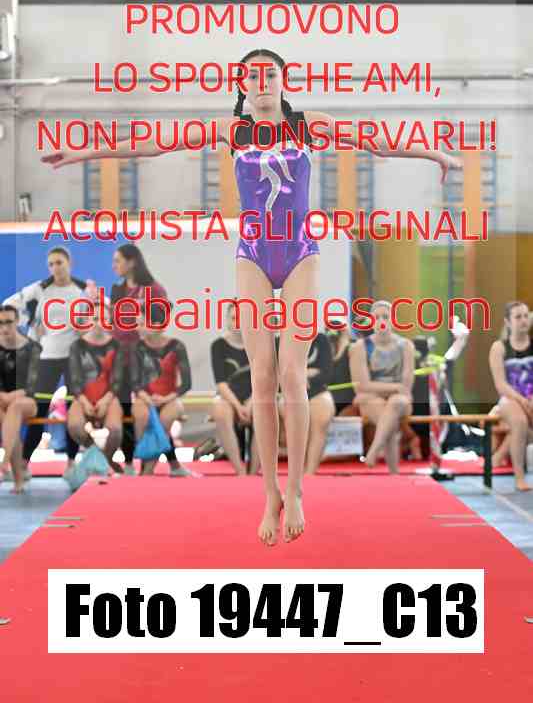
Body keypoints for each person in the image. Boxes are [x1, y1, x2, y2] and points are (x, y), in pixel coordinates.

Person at [42, 47, 460, 544]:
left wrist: (436, 154)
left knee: (291, 374)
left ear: (284, 80)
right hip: (254, 255)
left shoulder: (308, 125)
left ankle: (296, 488)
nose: (262, 81)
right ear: (242, 84)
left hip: (299, 252)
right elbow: (153, 145)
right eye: (253, 75)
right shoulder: (232, 130)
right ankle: (269, 493)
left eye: (270, 73)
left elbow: (377, 143)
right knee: (262, 375)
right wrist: (82, 154)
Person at [2, 247, 90, 477]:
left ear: (69, 263)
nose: (55, 268)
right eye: (51, 264)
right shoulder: (39, 289)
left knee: (72, 411)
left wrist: (85, 327)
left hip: (72, 359)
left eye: (59, 262)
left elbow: (100, 313)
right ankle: (23, 464)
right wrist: (30, 323)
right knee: (38, 412)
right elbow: (9, 305)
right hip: (46, 358)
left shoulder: (82, 290)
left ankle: (71, 464)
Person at [109, 244, 175, 474]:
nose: (114, 266)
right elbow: (112, 323)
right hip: (120, 358)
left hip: (146, 358)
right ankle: (129, 462)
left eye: (117, 261)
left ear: (132, 262)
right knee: (125, 409)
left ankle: (169, 461)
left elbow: (162, 320)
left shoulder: (154, 289)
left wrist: (147, 326)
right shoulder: (117, 290)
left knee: (151, 411)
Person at [351, 301, 415, 473]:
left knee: (396, 403)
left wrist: (393, 389)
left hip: (399, 400)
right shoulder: (360, 347)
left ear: (393, 320)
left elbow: (406, 386)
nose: (381, 321)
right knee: (389, 421)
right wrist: (395, 387)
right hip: (371, 399)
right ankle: (394, 474)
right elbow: (362, 386)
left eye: (385, 317)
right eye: (377, 317)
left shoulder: (406, 346)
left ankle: (374, 450)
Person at [130, 303, 193, 476]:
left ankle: (147, 471)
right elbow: (134, 382)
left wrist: (166, 399)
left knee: (164, 420)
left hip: (170, 398)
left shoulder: (176, 346)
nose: (136, 327)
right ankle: (172, 466)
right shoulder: (137, 347)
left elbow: (186, 383)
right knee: (142, 417)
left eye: (141, 323)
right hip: (145, 397)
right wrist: (147, 398)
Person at [67, 300, 124, 472]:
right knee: (75, 427)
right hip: (83, 396)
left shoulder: (116, 346)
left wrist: (106, 401)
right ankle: (102, 458)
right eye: (95, 318)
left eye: (104, 319)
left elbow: (118, 379)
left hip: (108, 396)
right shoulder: (77, 346)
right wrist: (84, 402)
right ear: (88, 320)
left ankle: (104, 460)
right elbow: (74, 379)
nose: (99, 323)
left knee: (115, 430)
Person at [488, 301, 533, 492]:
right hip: (509, 398)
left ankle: (498, 457)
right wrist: (522, 400)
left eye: (525, 316)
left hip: (530, 398)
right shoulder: (499, 348)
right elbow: (501, 385)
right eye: (518, 317)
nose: (523, 320)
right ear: (508, 322)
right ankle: (519, 478)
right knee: (520, 422)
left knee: (526, 432)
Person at [278, 329, 335, 474]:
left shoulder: (321, 339)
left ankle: (310, 472)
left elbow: (327, 373)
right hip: (289, 391)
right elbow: (278, 374)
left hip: (317, 390)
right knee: (295, 419)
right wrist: (304, 374)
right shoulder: (280, 340)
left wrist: (302, 376)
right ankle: (297, 471)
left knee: (322, 415)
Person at [0, 305, 41, 493]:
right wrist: (4, 396)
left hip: (26, 401)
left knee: (15, 408)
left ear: (17, 321)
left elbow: (33, 385)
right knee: (9, 420)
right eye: (0, 323)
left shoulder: (32, 348)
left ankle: (4, 461)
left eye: (8, 322)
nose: (4, 327)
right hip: (3, 400)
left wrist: (12, 396)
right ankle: (18, 481)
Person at [210, 301, 254, 476]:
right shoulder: (218, 345)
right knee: (220, 411)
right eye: (234, 318)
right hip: (229, 397)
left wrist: (250, 403)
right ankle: (240, 470)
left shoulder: (261, 345)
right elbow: (221, 383)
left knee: (265, 408)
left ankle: (255, 470)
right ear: (227, 320)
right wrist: (237, 406)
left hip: (255, 397)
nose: (237, 323)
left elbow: (265, 381)